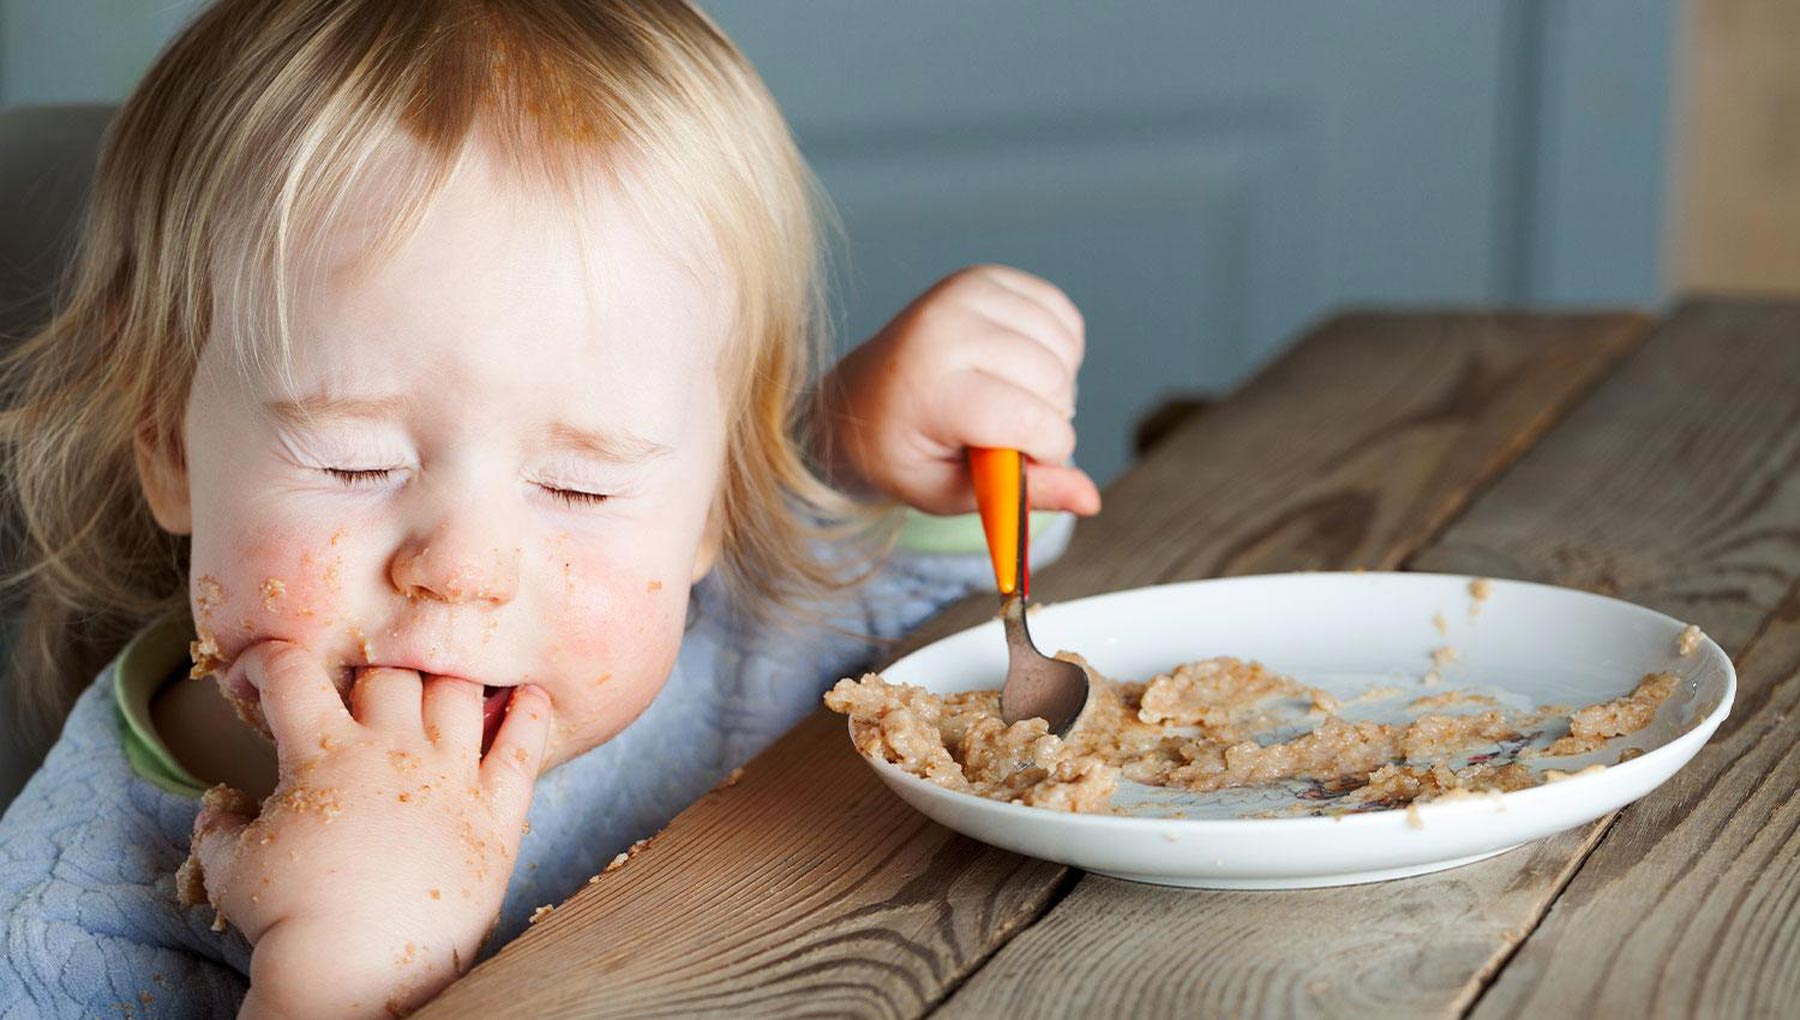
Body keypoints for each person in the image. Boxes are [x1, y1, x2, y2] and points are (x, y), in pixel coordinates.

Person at [0, 1, 1099, 1015]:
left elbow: (935, 615)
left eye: (584, 483)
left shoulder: (729, 646)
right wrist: (339, 969)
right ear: (165, 438)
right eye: (353, 463)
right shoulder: (70, 917)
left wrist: (867, 455)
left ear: (715, 494)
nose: (464, 566)